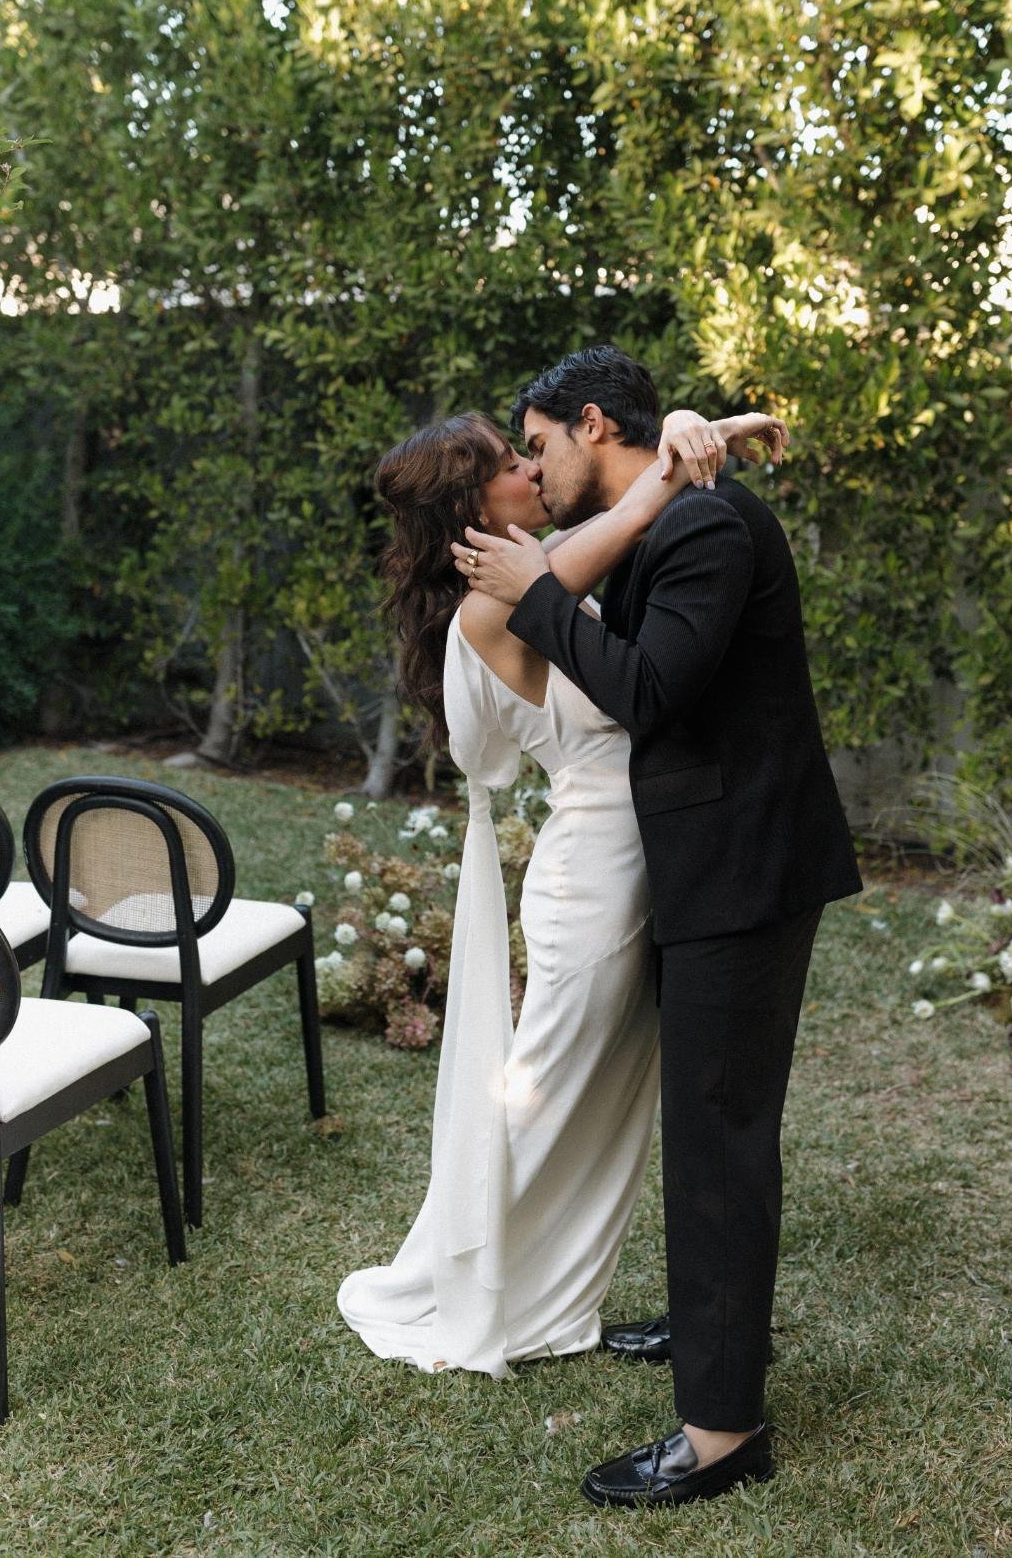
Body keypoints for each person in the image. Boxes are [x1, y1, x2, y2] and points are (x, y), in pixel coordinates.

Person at [453, 344, 862, 1508]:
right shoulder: (671, 510)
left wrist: (536, 588)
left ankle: (724, 1429)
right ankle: (708, 1328)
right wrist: (699, 429)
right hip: (702, 861)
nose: (533, 469)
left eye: (539, 445)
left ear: (591, 424)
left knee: (719, 1135)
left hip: (744, 864)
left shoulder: (710, 531)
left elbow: (647, 691)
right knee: (704, 1122)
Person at [337, 400, 780, 1379]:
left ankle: (552, 1297)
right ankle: (449, 1279)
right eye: (506, 462)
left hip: (632, 855)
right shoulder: (497, 597)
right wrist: (694, 430)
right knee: (539, 1106)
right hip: (597, 876)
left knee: (602, 1105)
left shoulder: (529, 569)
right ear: (470, 502)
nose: (529, 470)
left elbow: (625, 509)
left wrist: (689, 424)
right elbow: (630, 515)